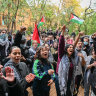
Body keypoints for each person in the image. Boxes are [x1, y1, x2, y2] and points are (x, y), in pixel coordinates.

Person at [57, 25, 83, 96]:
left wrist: (79, 35)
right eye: (69, 47)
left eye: (72, 48)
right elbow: (61, 44)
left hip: (70, 80)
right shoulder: (62, 56)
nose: (71, 48)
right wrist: (63, 31)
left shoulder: (72, 58)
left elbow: (74, 45)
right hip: (62, 80)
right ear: (66, 49)